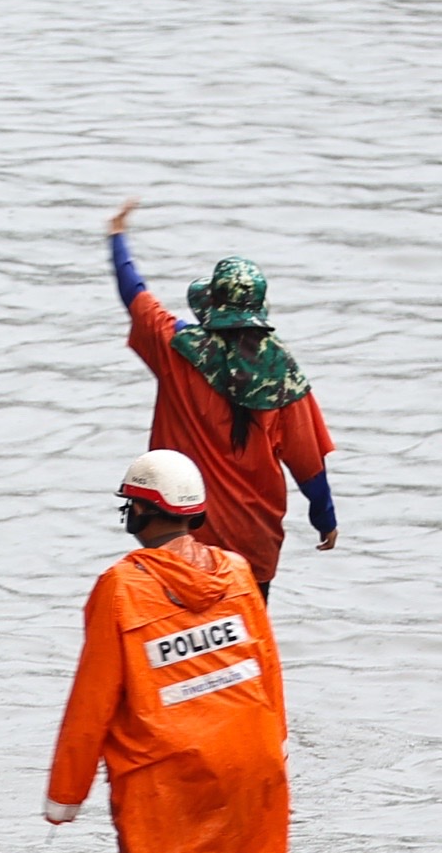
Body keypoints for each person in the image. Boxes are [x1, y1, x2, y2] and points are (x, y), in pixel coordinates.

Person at [42, 452, 290, 853]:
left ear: (145, 511)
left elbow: (93, 700)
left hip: (169, 782)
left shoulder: (121, 586)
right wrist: (274, 750)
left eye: (130, 504)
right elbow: (268, 672)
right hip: (254, 770)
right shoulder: (236, 574)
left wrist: (65, 796)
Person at [106, 200, 337, 592]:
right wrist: (325, 518)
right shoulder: (286, 376)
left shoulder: (176, 347)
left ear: (212, 307)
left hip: (179, 539)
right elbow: (309, 468)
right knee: (242, 646)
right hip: (252, 548)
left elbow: (135, 294)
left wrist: (117, 236)